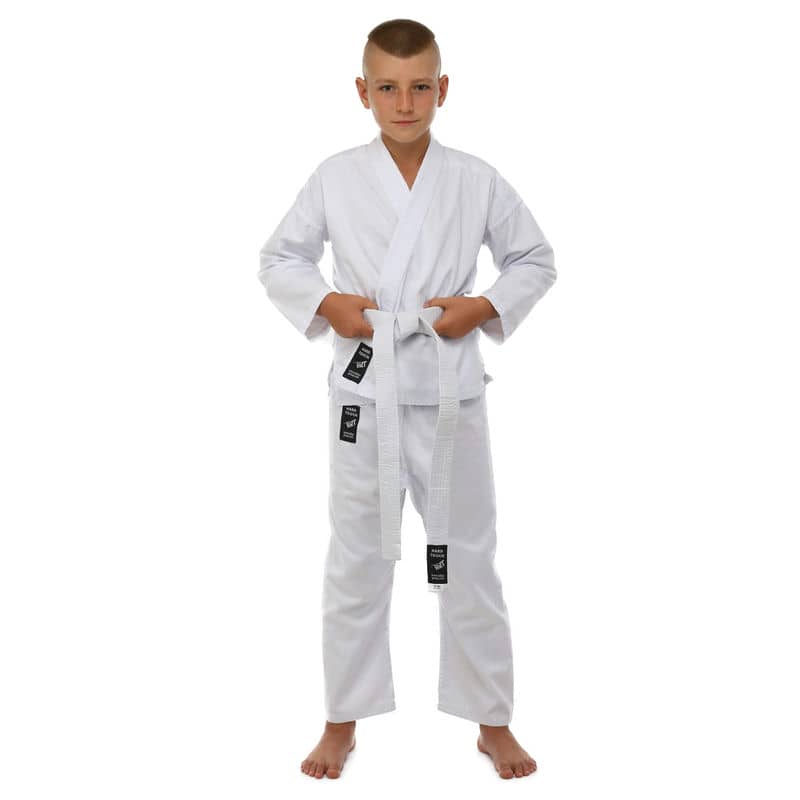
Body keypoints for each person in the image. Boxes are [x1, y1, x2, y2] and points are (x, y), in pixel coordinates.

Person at [257, 18, 556, 780]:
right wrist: (328, 304)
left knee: (468, 558)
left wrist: (483, 307)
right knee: (356, 561)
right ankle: (340, 720)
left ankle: (492, 720)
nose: (404, 103)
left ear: (442, 89)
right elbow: (280, 258)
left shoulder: (476, 179)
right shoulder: (334, 177)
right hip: (367, 393)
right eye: (388, 87)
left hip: (452, 394)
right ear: (362, 91)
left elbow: (534, 258)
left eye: (420, 86)